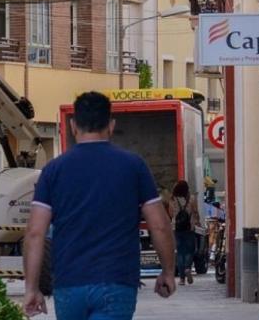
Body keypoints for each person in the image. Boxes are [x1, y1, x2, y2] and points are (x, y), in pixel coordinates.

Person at [23, 91, 177, 320]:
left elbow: (35, 233)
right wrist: (168, 271)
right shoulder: (133, 166)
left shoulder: (53, 171)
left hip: (69, 283)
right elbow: (159, 226)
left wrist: (31, 288)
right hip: (116, 281)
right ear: (111, 125)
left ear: (74, 126)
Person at [167, 180, 202, 285]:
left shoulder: (172, 200)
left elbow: (171, 214)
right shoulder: (191, 199)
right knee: (190, 251)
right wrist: (198, 221)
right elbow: (195, 212)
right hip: (189, 228)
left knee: (180, 252)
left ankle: (182, 279)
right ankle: (187, 268)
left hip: (176, 229)